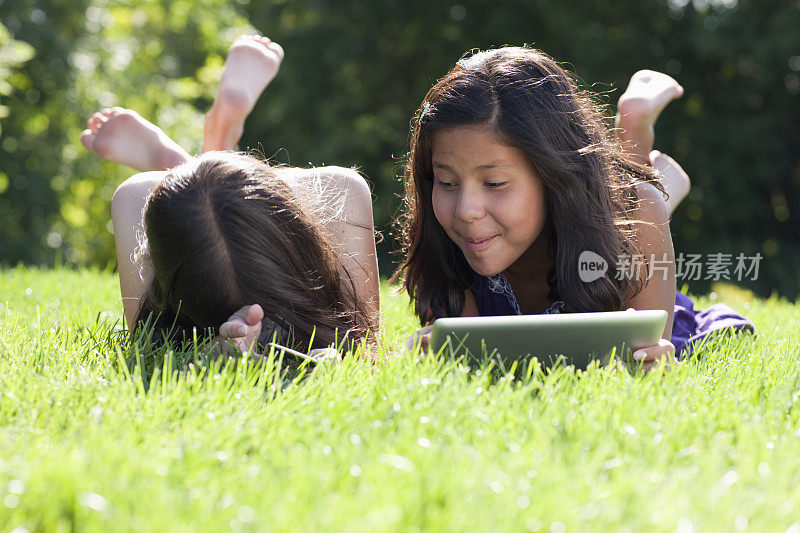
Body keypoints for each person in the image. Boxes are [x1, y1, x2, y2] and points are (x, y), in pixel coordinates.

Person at [395, 47, 753, 371]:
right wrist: (428, 356)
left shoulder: (635, 213)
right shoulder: (443, 240)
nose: (466, 211)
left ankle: (637, 140)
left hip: (610, 242)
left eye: (494, 184)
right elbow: (471, 364)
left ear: (553, 175)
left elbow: (645, 356)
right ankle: (654, 172)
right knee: (633, 201)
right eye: (446, 183)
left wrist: (652, 366)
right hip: (597, 216)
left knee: (638, 205)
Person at [81, 35, 380, 356]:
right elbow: (367, 351)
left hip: (189, 207)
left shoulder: (136, 197)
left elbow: (148, 349)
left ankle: (186, 164)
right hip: (303, 203)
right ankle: (202, 156)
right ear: (300, 238)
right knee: (339, 190)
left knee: (148, 195)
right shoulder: (341, 192)